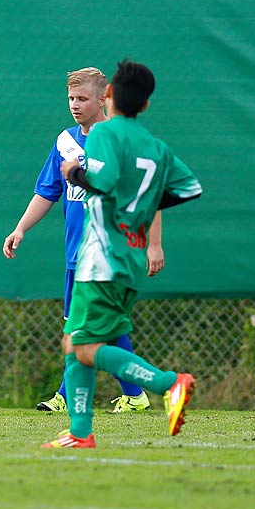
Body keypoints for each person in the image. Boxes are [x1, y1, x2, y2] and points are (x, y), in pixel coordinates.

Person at [46, 60, 200, 449]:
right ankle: (80, 432)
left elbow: (103, 181)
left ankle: (168, 383)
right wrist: (141, 207)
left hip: (101, 256)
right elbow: (189, 188)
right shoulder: (154, 146)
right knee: (76, 343)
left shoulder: (104, 134)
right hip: (130, 257)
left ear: (109, 95)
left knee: (81, 346)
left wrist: (72, 173)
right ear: (146, 105)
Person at [4, 66, 165, 414]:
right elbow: (47, 192)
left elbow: (150, 194)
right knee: (90, 327)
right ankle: (137, 392)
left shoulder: (119, 139)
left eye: (83, 98)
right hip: (77, 255)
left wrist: (154, 244)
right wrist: (20, 228)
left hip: (112, 251)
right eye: (71, 99)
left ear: (104, 98)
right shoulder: (64, 141)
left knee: (84, 328)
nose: (75, 105)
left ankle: (70, 396)